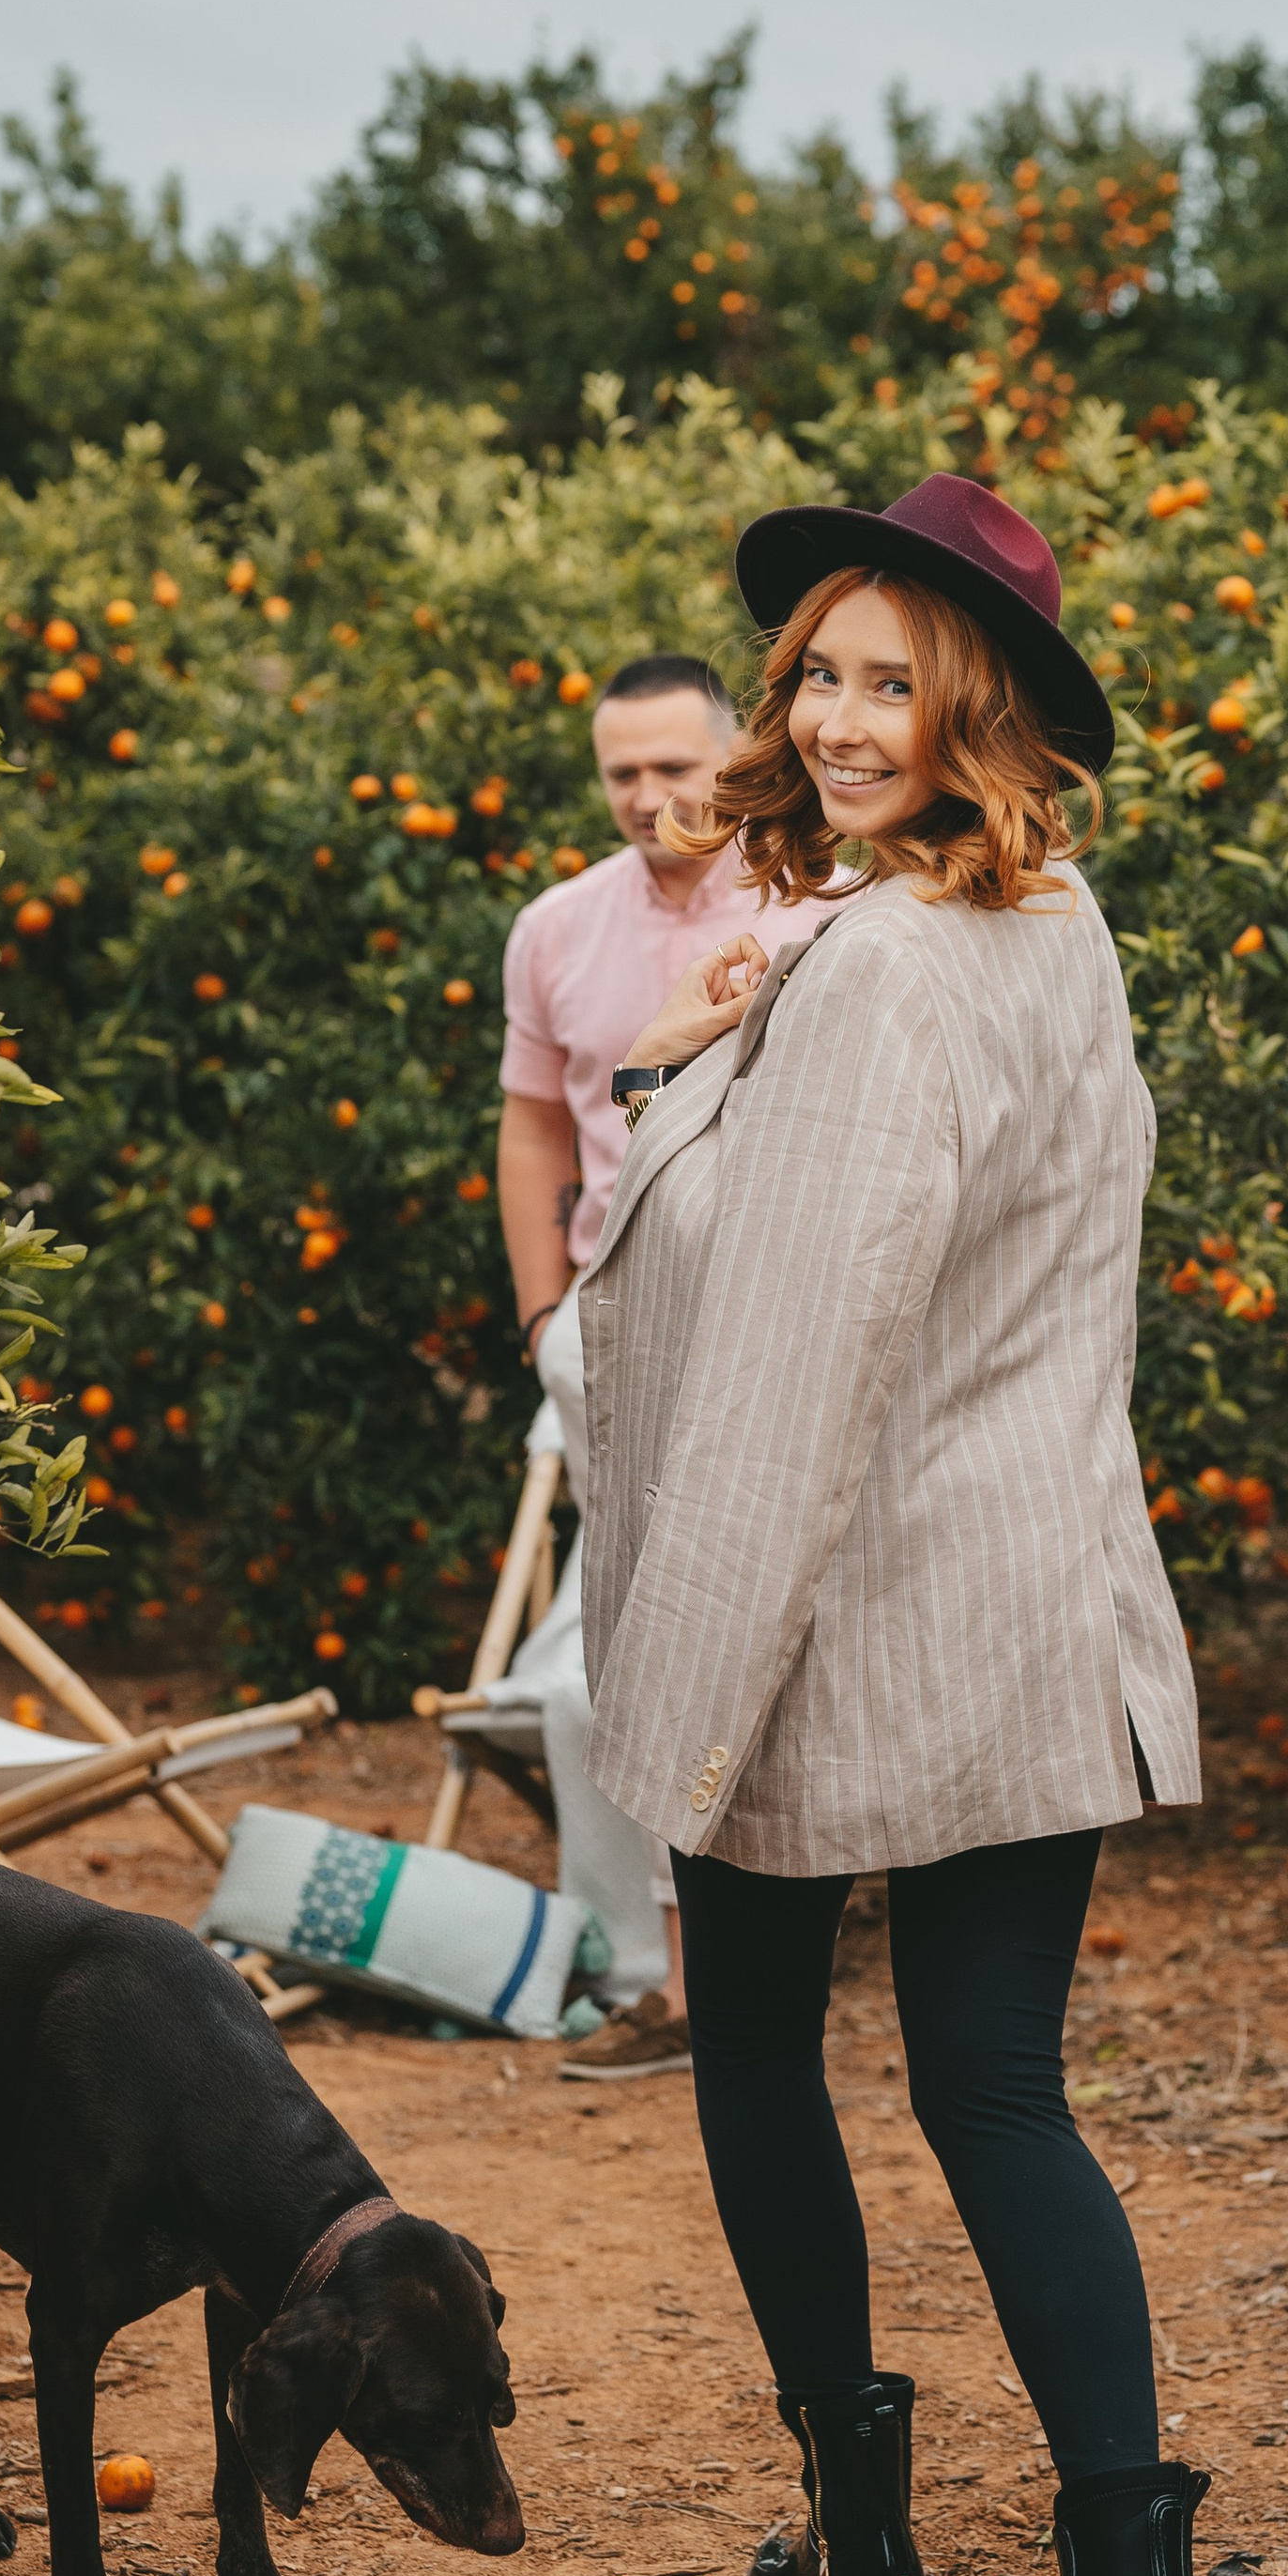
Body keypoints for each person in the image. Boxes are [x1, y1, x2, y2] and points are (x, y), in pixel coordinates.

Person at [574, 473, 1220, 2576]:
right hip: (1031, 1592)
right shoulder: (1053, 930)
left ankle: (878, 2534)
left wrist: (678, 1683)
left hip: (850, 1615)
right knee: (992, 2084)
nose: (839, 719)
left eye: (890, 682)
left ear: (986, 711)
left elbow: (785, 1359)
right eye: (818, 675)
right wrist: (724, 1036)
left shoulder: (890, 972)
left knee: (767, 2050)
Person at [494, 655, 841, 2074]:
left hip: (762, 1342)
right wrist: (540, 1320)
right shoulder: (557, 927)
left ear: (735, 758)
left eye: (675, 768)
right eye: (622, 773)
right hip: (601, 1338)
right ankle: (649, 1971)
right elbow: (532, 1129)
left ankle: (726, 1967)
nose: (649, 797)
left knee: (688, 1657)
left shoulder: (816, 911)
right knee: (593, 1676)